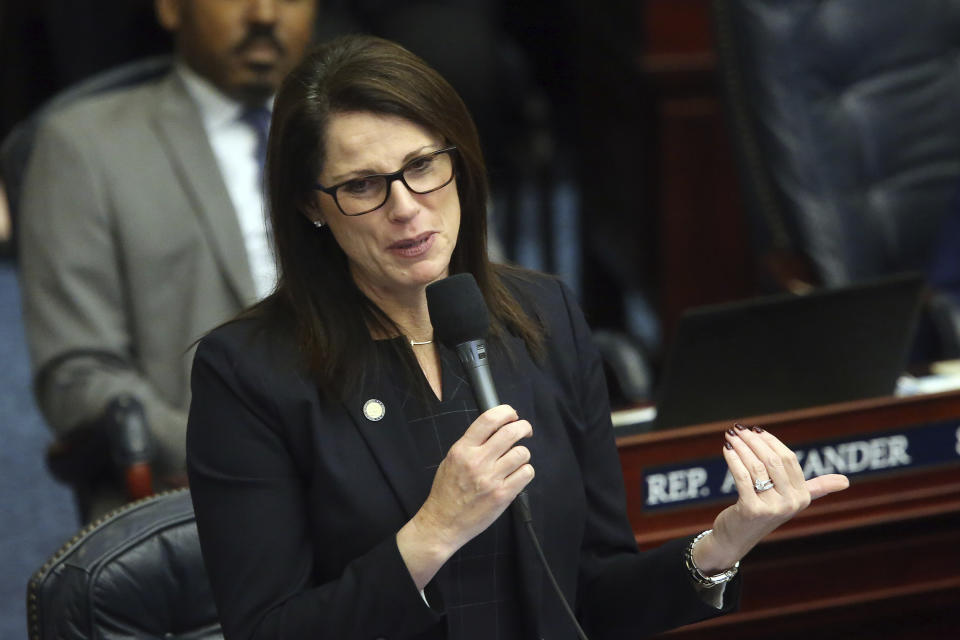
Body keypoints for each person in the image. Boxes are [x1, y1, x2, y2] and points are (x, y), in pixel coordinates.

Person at [186, 35, 850, 640]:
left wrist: (718, 548)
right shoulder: (250, 372)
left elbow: (592, 593)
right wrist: (432, 533)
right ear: (312, 206)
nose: (407, 206)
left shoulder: (543, 317)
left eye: (423, 165)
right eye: (363, 185)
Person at [18, 0, 317, 520]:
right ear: (171, 8)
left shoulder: (377, 130)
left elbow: (472, 296)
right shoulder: (83, 145)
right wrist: (241, 455)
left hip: (387, 473)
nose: (265, 13)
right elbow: (78, 374)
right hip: (199, 500)